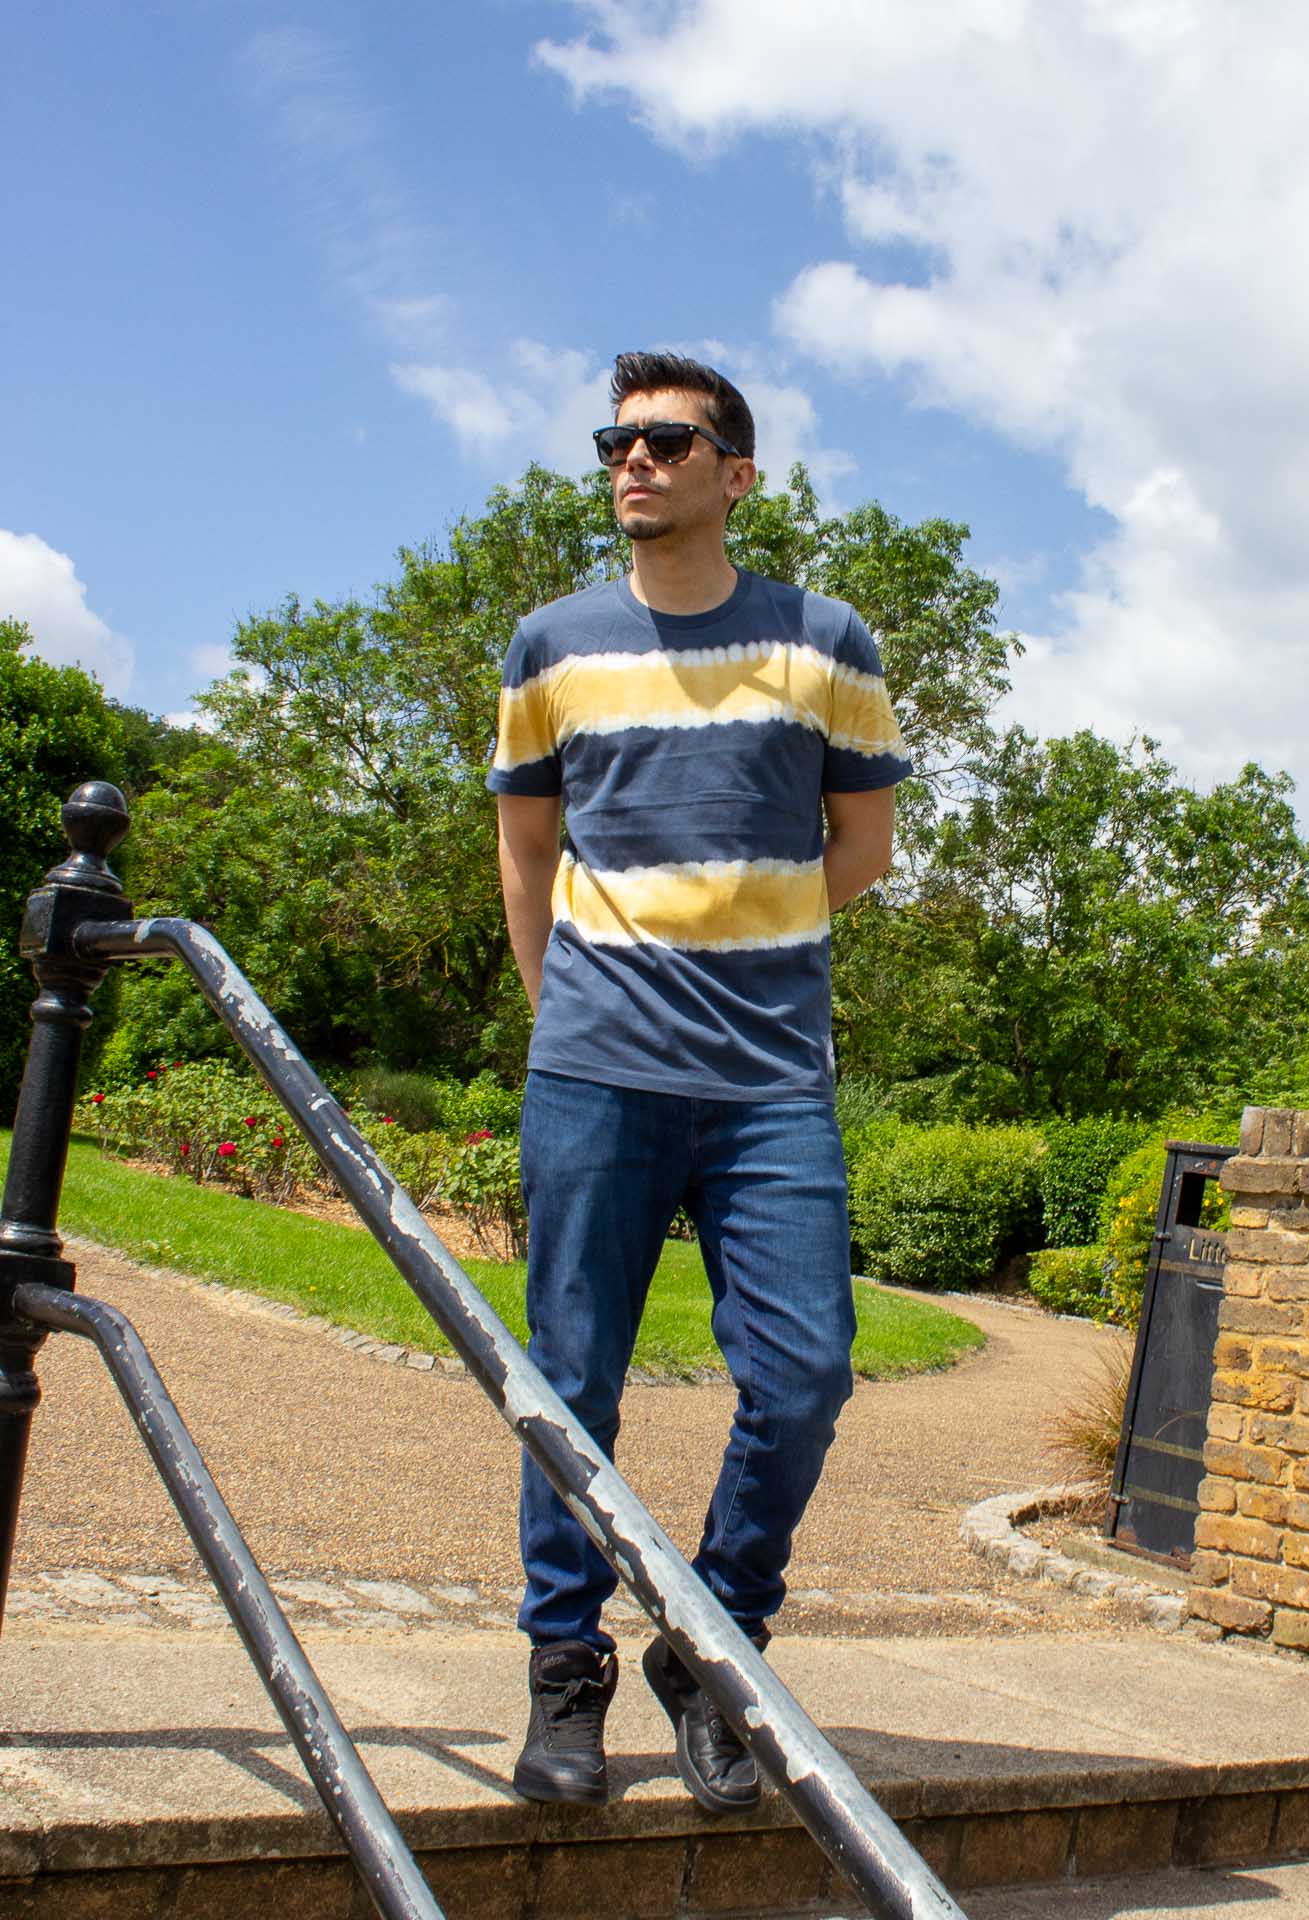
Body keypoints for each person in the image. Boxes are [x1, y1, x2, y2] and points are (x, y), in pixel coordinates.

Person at [487, 350, 911, 1811]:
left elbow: (864, 847)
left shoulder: (825, 640)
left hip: (771, 1079)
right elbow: (527, 853)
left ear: (737, 475)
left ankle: (713, 1648)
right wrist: (565, 1011)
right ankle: (564, 1669)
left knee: (805, 1374)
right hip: (595, 1068)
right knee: (569, 1385)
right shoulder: (551, 644)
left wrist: (739, 927)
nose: (634, 460)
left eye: (667, 441)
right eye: (618, 440)